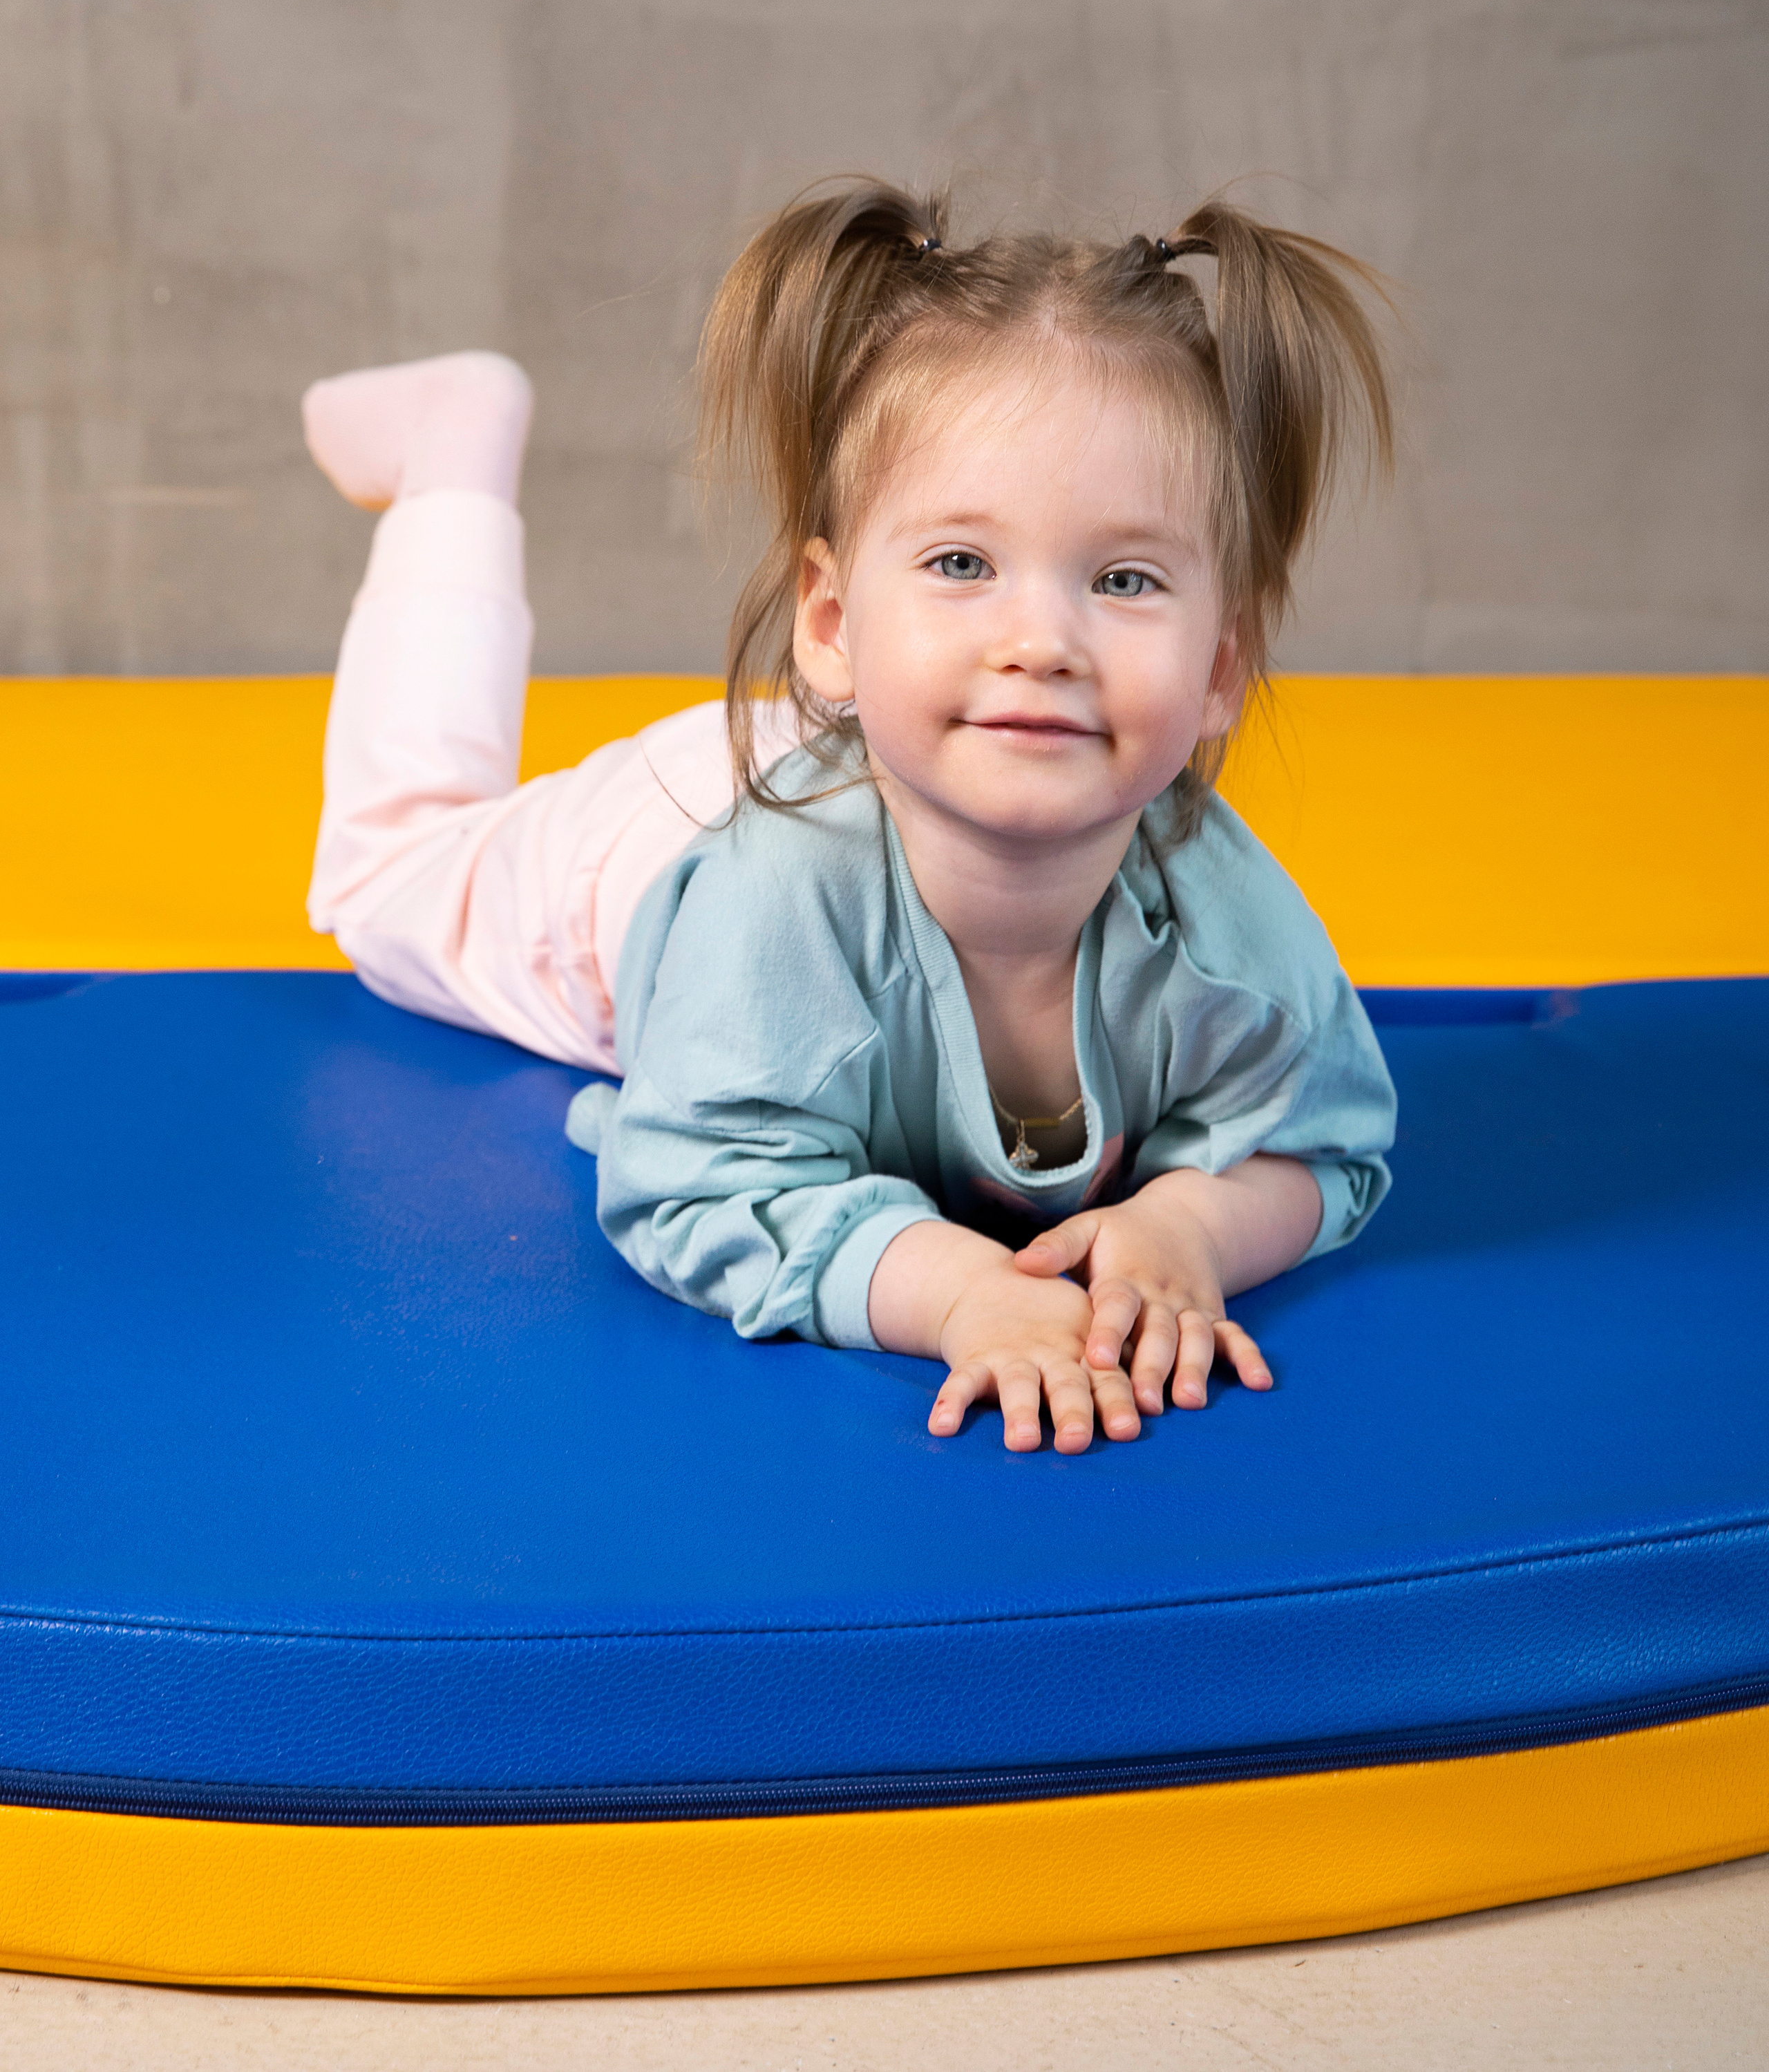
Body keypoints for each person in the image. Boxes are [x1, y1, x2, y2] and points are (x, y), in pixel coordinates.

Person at [305, 182, 1397, 1456]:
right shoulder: (774, 909)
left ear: (1222, 665)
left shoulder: (1225, 918)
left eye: (1125, 579)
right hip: (679, 840)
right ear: (827, 623)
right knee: (386, 877)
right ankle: (454, 457)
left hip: (894, 753)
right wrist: (958, 1294)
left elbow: (1328, 1143)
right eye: (960, 565)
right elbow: (694, 1181)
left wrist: (1189, 1231)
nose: (1040, 641)